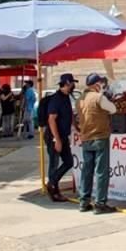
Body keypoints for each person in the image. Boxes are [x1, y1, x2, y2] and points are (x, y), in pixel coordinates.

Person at [77, 73, 117, 214]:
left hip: (86, 137)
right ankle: (100, 204)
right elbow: (113, 109)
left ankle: (84, 201)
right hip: (100, 137)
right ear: (96, 84)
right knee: (101, 172)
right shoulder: (99, 97)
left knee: (86, 171)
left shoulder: (80, 99)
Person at [45, 73, 77, 202]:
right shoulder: (56, 99)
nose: (74, 85)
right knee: (54, 163)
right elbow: (51, 120)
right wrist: (57, 140)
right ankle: (54, 191)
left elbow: (69, 115)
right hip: (54, 137)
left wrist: (76, 127)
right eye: (73, 83)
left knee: (69, 161)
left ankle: (52, 183)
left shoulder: (66, 97)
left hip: (63, 135)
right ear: (68, 83)